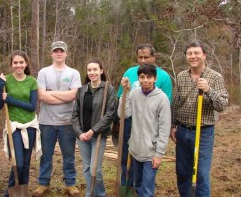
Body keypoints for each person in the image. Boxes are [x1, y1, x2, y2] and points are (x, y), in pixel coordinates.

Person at [170, 41, 229, 197]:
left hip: (203, 132)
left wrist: (209, 90)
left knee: (201, 173)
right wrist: (173, 125)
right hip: (183, 130)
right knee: (182, 172)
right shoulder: (181, 76)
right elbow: (176, 103)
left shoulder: (215, 77)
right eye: (190, 53)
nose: (193, 56)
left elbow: (222, 104)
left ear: (204, 55)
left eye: (196, 53)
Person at [116, 44, 173, 186]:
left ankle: (144, 186)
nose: (143, 60)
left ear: (153, 57)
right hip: (131, 123)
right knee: (126, 158)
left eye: (146, 57)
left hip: (150, 126)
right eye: (140, 57)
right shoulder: (129, 72)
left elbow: (166, 108)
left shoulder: (164, 77)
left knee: (147, 164)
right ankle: (127, 185)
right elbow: (121, 99)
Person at [33, 41, 81, 196]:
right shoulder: (43, 72)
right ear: (52, 53)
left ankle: (70, 184)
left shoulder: (73, 73)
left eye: (62, 51)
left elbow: (74, 95)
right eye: (56, 51)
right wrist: (65, 96)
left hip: (67, 121)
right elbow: (41, 96)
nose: (59, 53)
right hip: (46, 121)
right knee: (45, 155)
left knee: (69, 155)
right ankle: (43, 183)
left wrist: (51, 92)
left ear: (66, 53)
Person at [0, 50, 41, 196]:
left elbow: (32, 106)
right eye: (15, 62)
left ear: (26, 63)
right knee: (18, 163)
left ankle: (22, 191)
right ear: (11, 64)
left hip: (30, 125)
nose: (18, 65)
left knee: (26, 164)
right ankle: (9, 191)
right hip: (13, 126)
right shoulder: (6, 81)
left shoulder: (32, 81)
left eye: (21, 62)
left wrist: (11, 100)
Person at [72, 58, 116, 197]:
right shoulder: (81, 90)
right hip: (82, 137)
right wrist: (79, 133)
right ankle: (89, 194)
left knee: (94, 170)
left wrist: (93, 131)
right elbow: (74, 114)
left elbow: (110, 114)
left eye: (95, 69)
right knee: (86, 169)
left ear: (101, 71)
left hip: (98, 136)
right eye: (89, 70)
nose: (92, 72)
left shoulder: (108, 89)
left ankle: (100, 194)